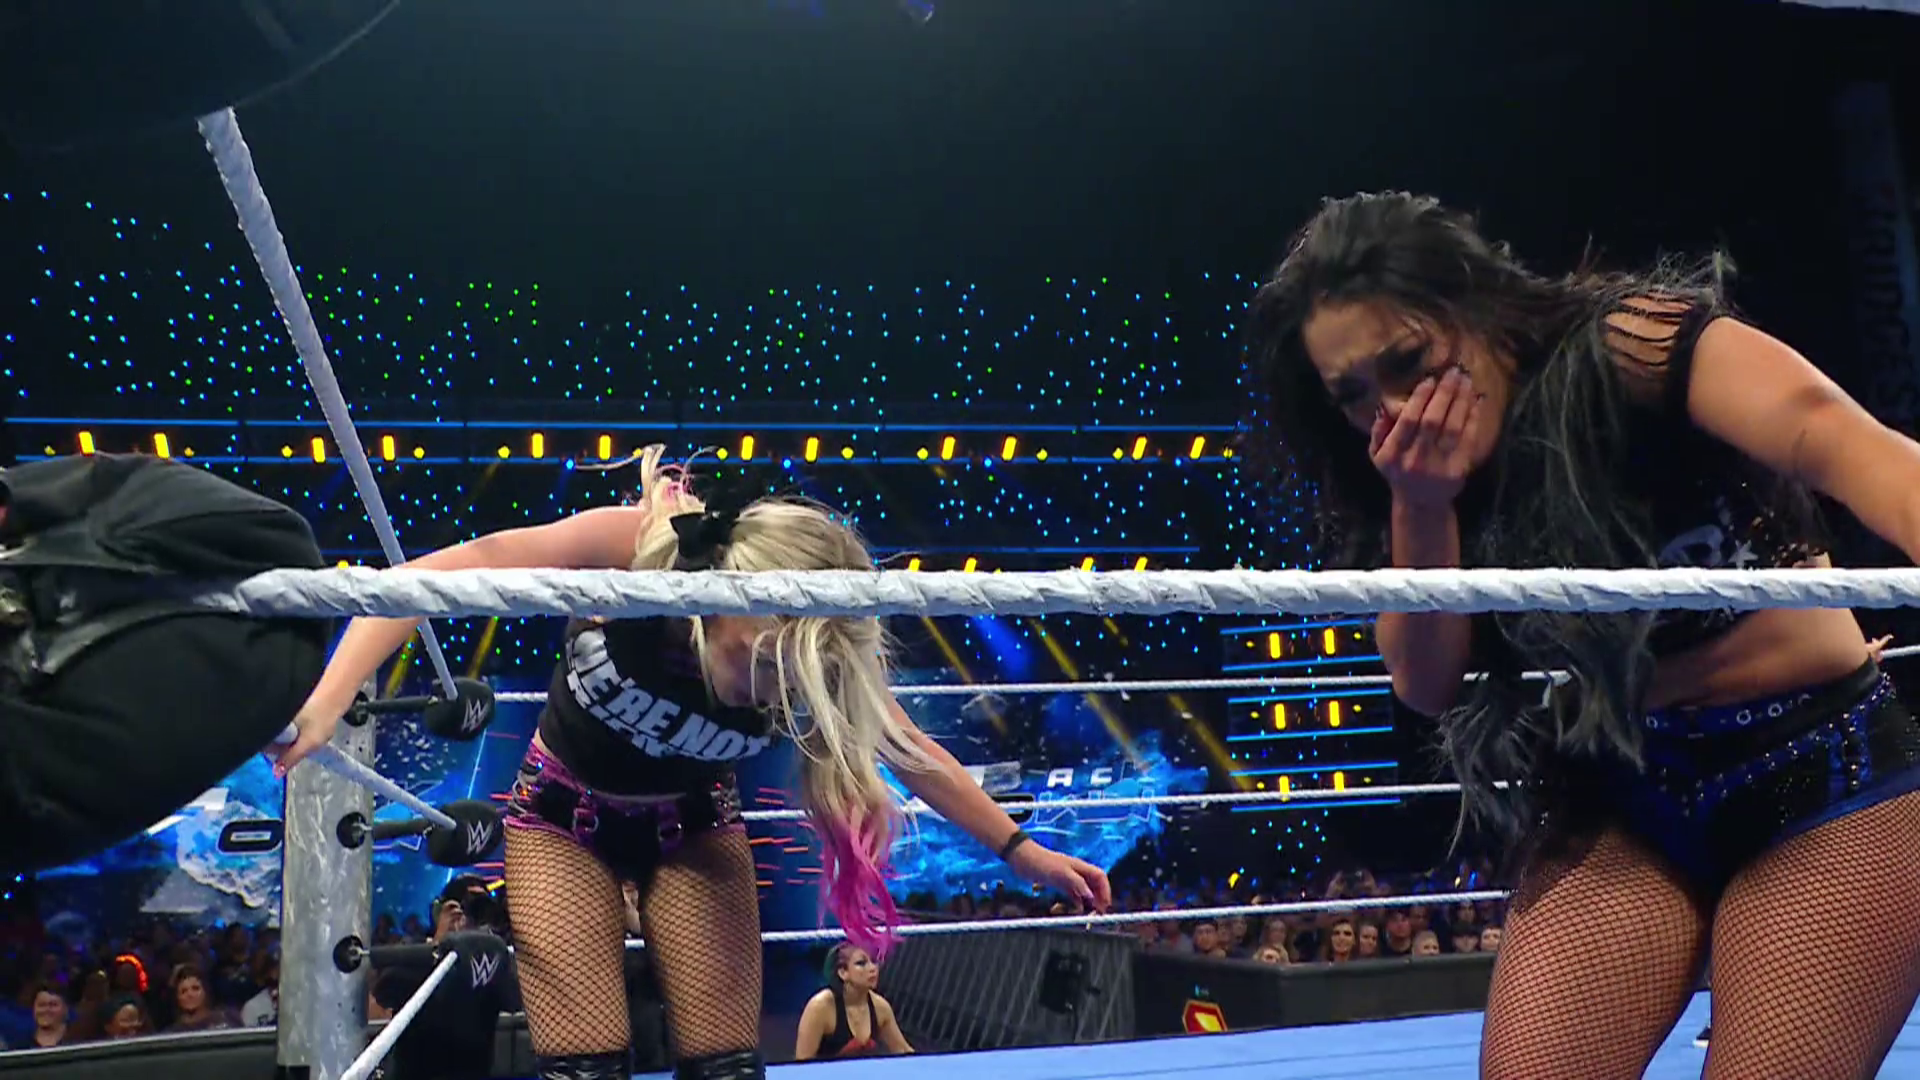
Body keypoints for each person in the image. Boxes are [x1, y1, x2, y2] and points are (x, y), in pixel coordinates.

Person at [1243, 191, 1920, 1079]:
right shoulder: (1402, 478)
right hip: (1622, 791)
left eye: (1409, 363)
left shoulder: (1632, 347)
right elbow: (1426, 682)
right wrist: (1422, 504)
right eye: (1354, 396)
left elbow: (1846, 442)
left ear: (1478, 308)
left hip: (1823, 772)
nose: (1395, 409)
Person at [277, 446, 1111, 1080]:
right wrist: (327, 702)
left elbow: (910, 751)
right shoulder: (639, 551)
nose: (770, 689)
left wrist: (1022, 851)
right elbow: (448, 572)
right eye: (761, 659)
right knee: (585, 1069)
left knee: (726, 1070)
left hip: (695, 829)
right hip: (563, 819)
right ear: (719, 604)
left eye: (790, 675)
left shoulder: (811, 659)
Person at [793, 943, 912, 1060]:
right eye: (861, 963)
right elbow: (802, 1062)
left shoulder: (880, 1008)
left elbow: (904, 1051)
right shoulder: (820, 1007)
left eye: (874, 961)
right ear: (843, 972)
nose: (873, 968)